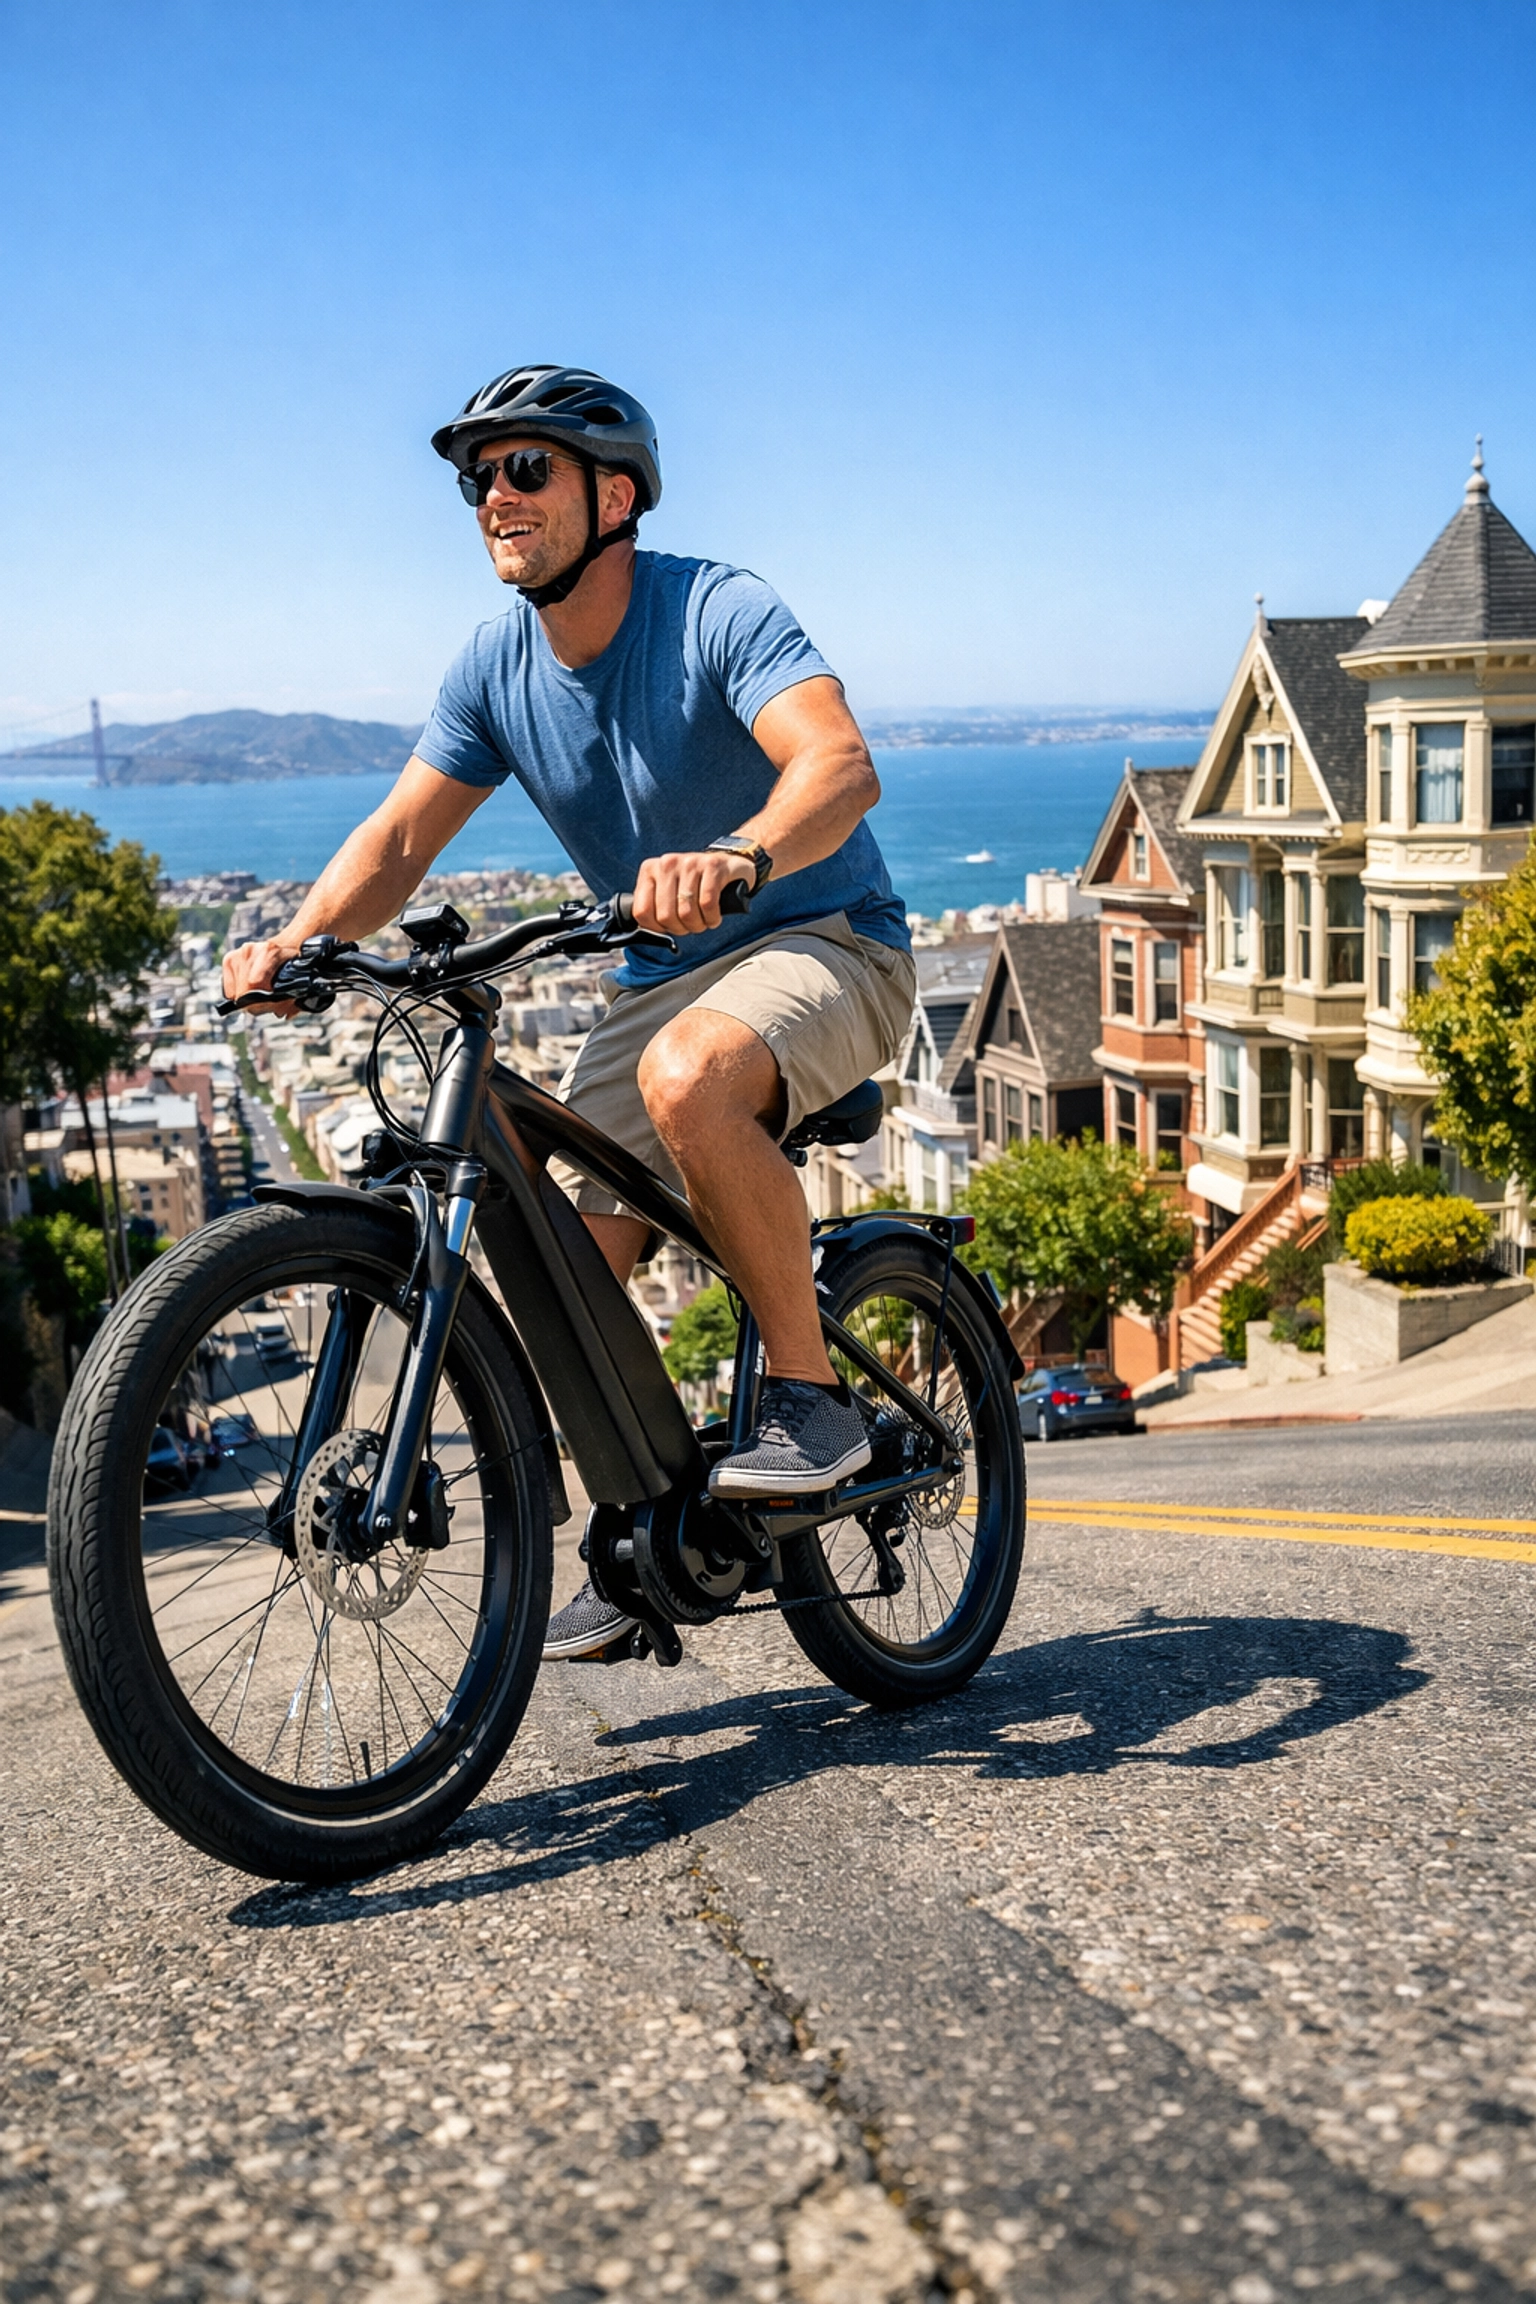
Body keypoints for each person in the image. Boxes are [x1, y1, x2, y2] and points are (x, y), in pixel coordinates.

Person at [223, 364, 915, 1660]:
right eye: (477, 475)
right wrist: (302, 943)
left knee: (689, 1080)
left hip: (828, 937)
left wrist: (744, 854)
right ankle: (641, 1532)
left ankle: (815, 1405)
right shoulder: (496, 665)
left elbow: (840, 763)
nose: (495, 493)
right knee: (553, 1258)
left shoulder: (714, 608)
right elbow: (399, 836)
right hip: (662, 973)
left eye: (523, 466)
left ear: (614, 491)